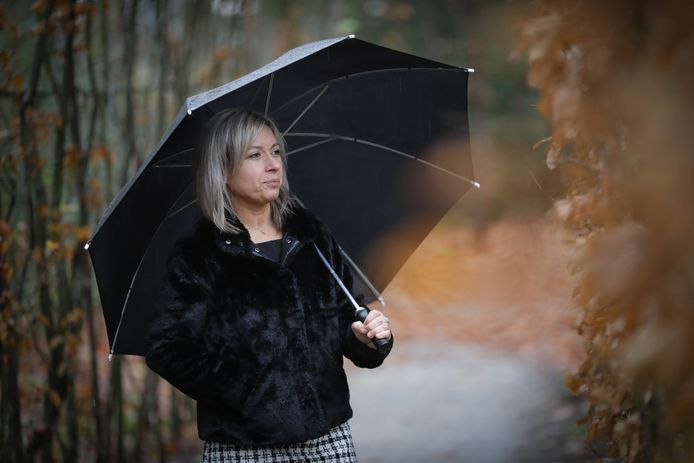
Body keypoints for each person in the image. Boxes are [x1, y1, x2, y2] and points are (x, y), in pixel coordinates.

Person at [145, 109, 393, 462]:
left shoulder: (310, 235)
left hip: (328, 442)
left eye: (276, 151)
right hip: (245, 449)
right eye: (255, 155)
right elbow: (166, 347)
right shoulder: (201, 254)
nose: (273, 164)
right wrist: (245, 386)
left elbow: (343, 322)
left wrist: (365, 338)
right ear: (224, 170)